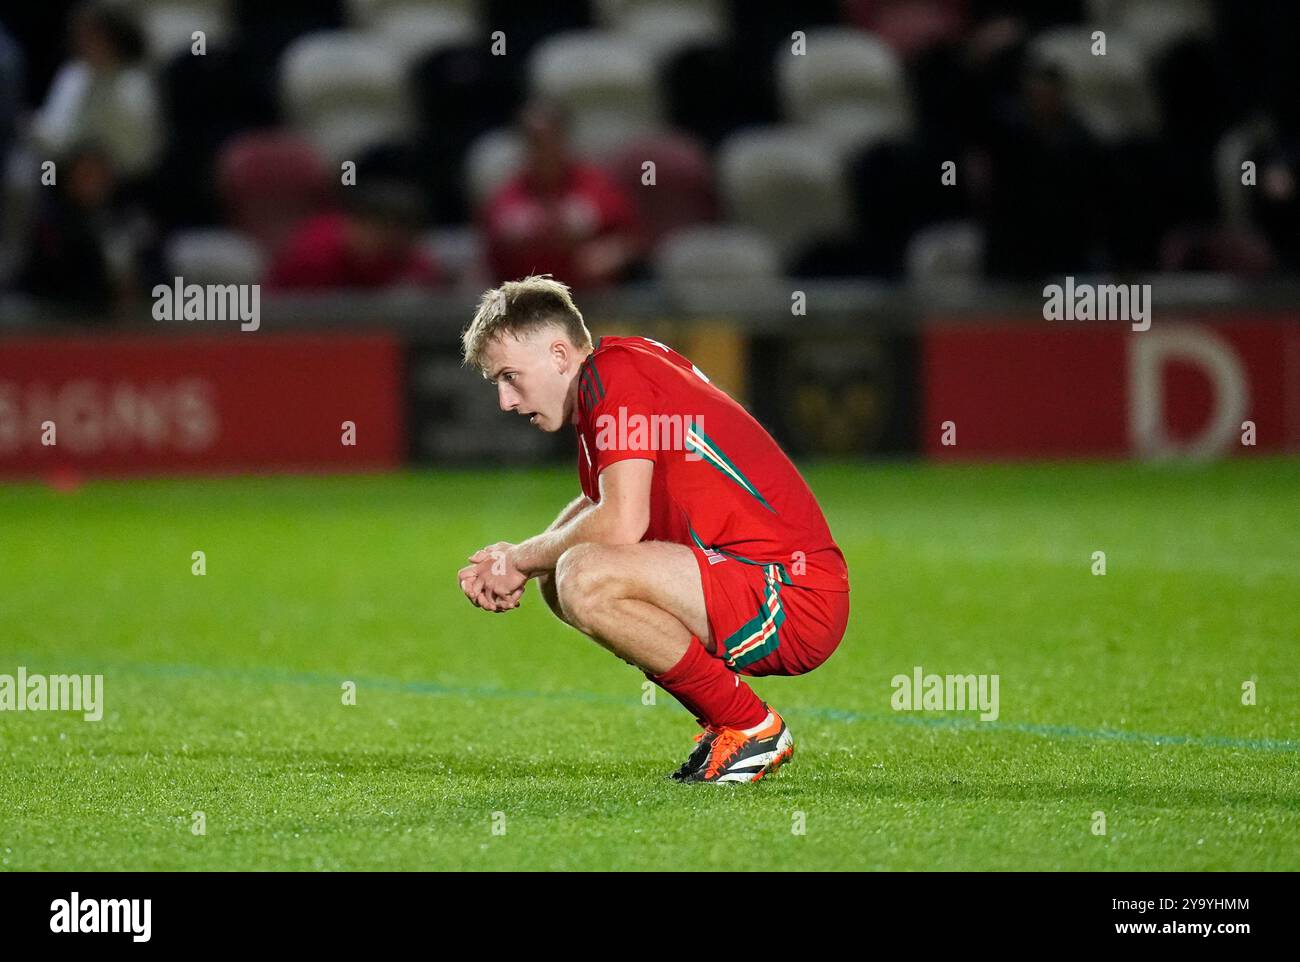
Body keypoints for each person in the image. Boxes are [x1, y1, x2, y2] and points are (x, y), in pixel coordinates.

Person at [456, 275, 851, 784]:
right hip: (762, 580)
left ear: (558, 354)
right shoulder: (623, 366)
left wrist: (518, 559)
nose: (506, 401)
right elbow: (600, 501)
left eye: (509, 377)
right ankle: (730, 722)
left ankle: (750, 726)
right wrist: (524, 563)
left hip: (790, 593)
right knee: (561, 576)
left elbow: (621, 521)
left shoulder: (612, 375)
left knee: (582, 573)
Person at [481, 102, 641, 289]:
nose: (544, 147)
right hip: (528, 306)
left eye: (551, 137)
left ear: (564, 138)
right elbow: (488, 258)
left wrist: (612, 254)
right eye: (535, 140)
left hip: (592, 299)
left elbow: (633, 240)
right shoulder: (505, 199)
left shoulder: (597, 185)